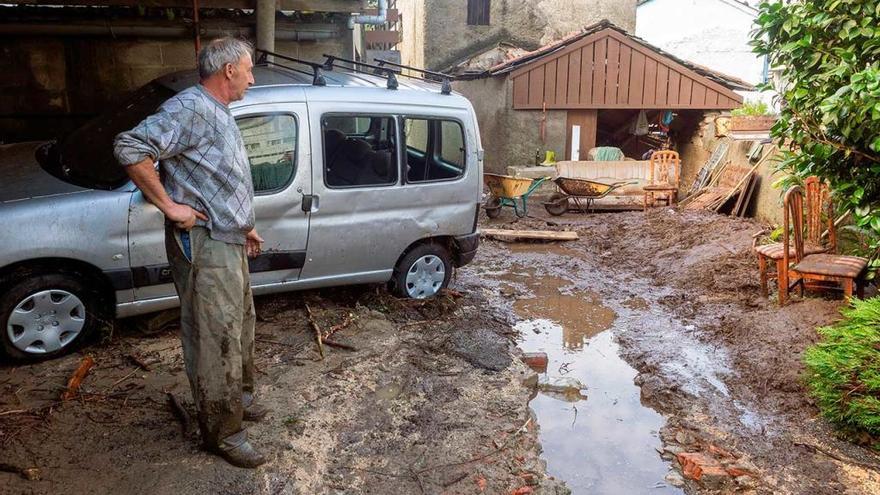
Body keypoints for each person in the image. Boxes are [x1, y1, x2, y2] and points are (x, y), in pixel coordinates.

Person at [113, 37, 268, 468]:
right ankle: (223, 431)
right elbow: (130, 147)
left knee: (240, 325)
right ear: (228, 71)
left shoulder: (216, 110)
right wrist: (169, 205)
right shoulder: (189, 108)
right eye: (248, 69)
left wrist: (245, 224)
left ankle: (240, 399)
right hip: (204, 243)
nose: (253, 78)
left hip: (229, 237)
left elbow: (218, 176)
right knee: (214, 335)